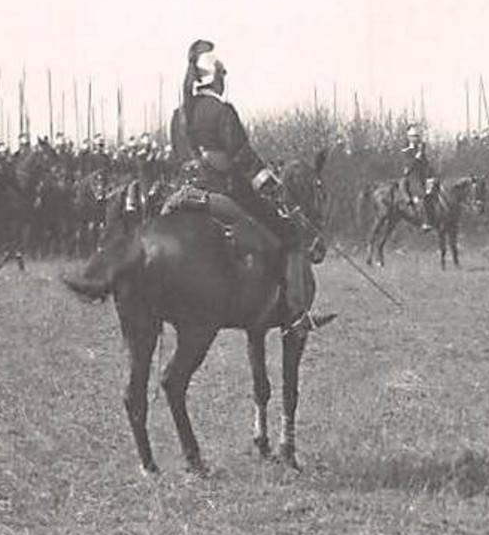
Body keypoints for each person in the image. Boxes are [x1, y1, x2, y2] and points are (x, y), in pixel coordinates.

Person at [64, 39, 317, 335]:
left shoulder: (178, 115)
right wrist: (270, 185)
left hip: (184, 193)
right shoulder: (223, 112)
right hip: (222, 192)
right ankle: (297, 315)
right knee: (290, 233)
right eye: (223, 76)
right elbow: (244, 158)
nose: (225, 82)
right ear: (217, 77)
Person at [401, 125, 438, 231]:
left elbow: (425, 164)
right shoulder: (406, 150)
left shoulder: (421, 149)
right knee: (422, 194)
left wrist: (431, 173)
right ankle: (424, 221)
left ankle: (438, 217)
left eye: (417, 136)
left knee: (436, 191)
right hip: (412, 178)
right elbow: (408, 167)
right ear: (409, 137)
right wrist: (417, 157)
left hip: (423, 176)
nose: (416, 138)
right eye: (414, 136)